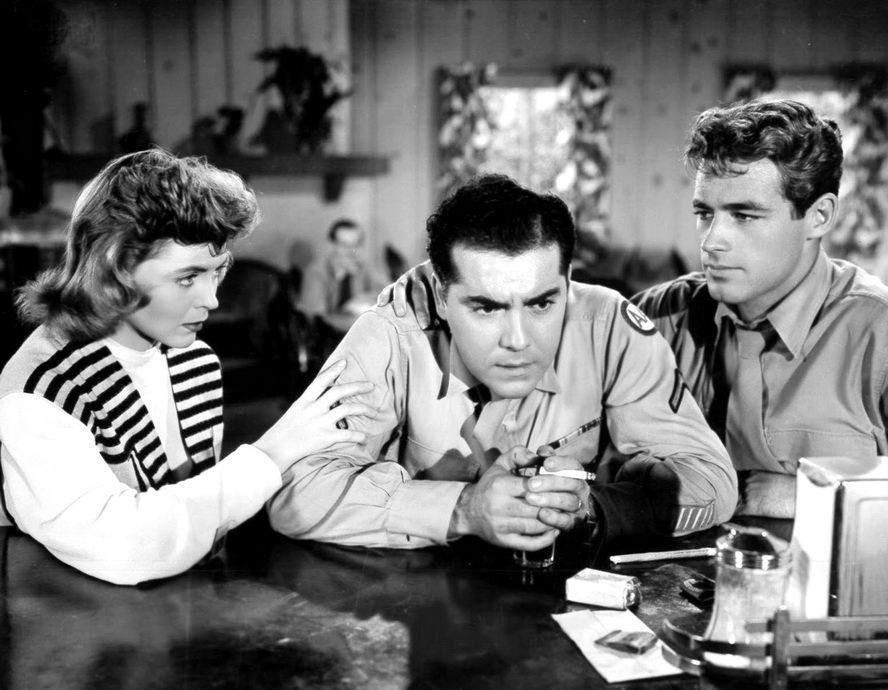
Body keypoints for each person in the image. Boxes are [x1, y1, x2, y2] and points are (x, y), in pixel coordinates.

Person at [267, 174, 737, 553]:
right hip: (411, 606)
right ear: (442, 297)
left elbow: (713, 481)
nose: (518, 341)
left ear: (567, 282)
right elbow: (292, 490)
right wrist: (463, 509)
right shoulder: (392, 331)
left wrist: (590, 510)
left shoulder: (609, 325)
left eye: (541, 303)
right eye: (486, 308)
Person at [0, 149, 374, 585]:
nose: (211, 300)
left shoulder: (194, 360)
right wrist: (272, 453)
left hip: (177, 610)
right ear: (116, 268)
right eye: (187, 278)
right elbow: (124, 548)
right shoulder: (39, 390)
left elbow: (201, 522)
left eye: (217, 272)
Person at [633, 99, 888, 518]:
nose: (711, 241)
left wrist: (812, 497)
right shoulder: (658, 317)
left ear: (819, 216)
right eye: (705, 214)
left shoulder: (887, 336)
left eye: (744, 216)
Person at [298, 218, 386, 334]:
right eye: (344, 245)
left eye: (356, 245)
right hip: (325, 337)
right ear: (331, 245)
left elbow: (389, 291)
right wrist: (350, 314)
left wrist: (361, 299)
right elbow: (317, 320)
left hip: (358, 333)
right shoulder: (316, 272)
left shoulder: (363, 266)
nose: (351, 252)